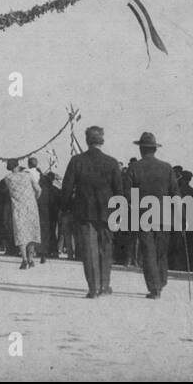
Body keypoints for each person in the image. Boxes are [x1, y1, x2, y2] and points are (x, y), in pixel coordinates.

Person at [60, 126, 123, 298]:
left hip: (84, 213)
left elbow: (66, 188)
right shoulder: (112, 162)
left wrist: (65, 207)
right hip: (107, 214)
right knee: (106, 250)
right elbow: (119, 192)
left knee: (89, 250)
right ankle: (104, 285)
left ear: (87, 141)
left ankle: (93, 288)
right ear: (102, 141)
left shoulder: (77, 161)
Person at [131, 132, 178, 299]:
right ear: (154, 149)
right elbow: (175, 193)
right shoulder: (167, 167)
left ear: (142, 149)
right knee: (161, 251)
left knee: (148, 251)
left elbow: (128, 195)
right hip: (165, 215)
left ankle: (154, 287)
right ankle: (161, 281)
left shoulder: (135, 167)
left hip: (144, 215)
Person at [4, 159, 42, 270]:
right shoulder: (27, 175)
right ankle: (31, 259)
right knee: (32, 231)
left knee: (20, 232)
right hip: (31, 206)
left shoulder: (8, 178)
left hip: (18, 208)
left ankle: (24, 259)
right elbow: (39, 190)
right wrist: (34, 198)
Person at [36, 171, 59, 263]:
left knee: (43, 232)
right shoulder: (55, 190)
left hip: (42, 214)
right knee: (52, 232)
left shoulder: (40, 190)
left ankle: (43, 251)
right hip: (53, 214)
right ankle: (54, 251)